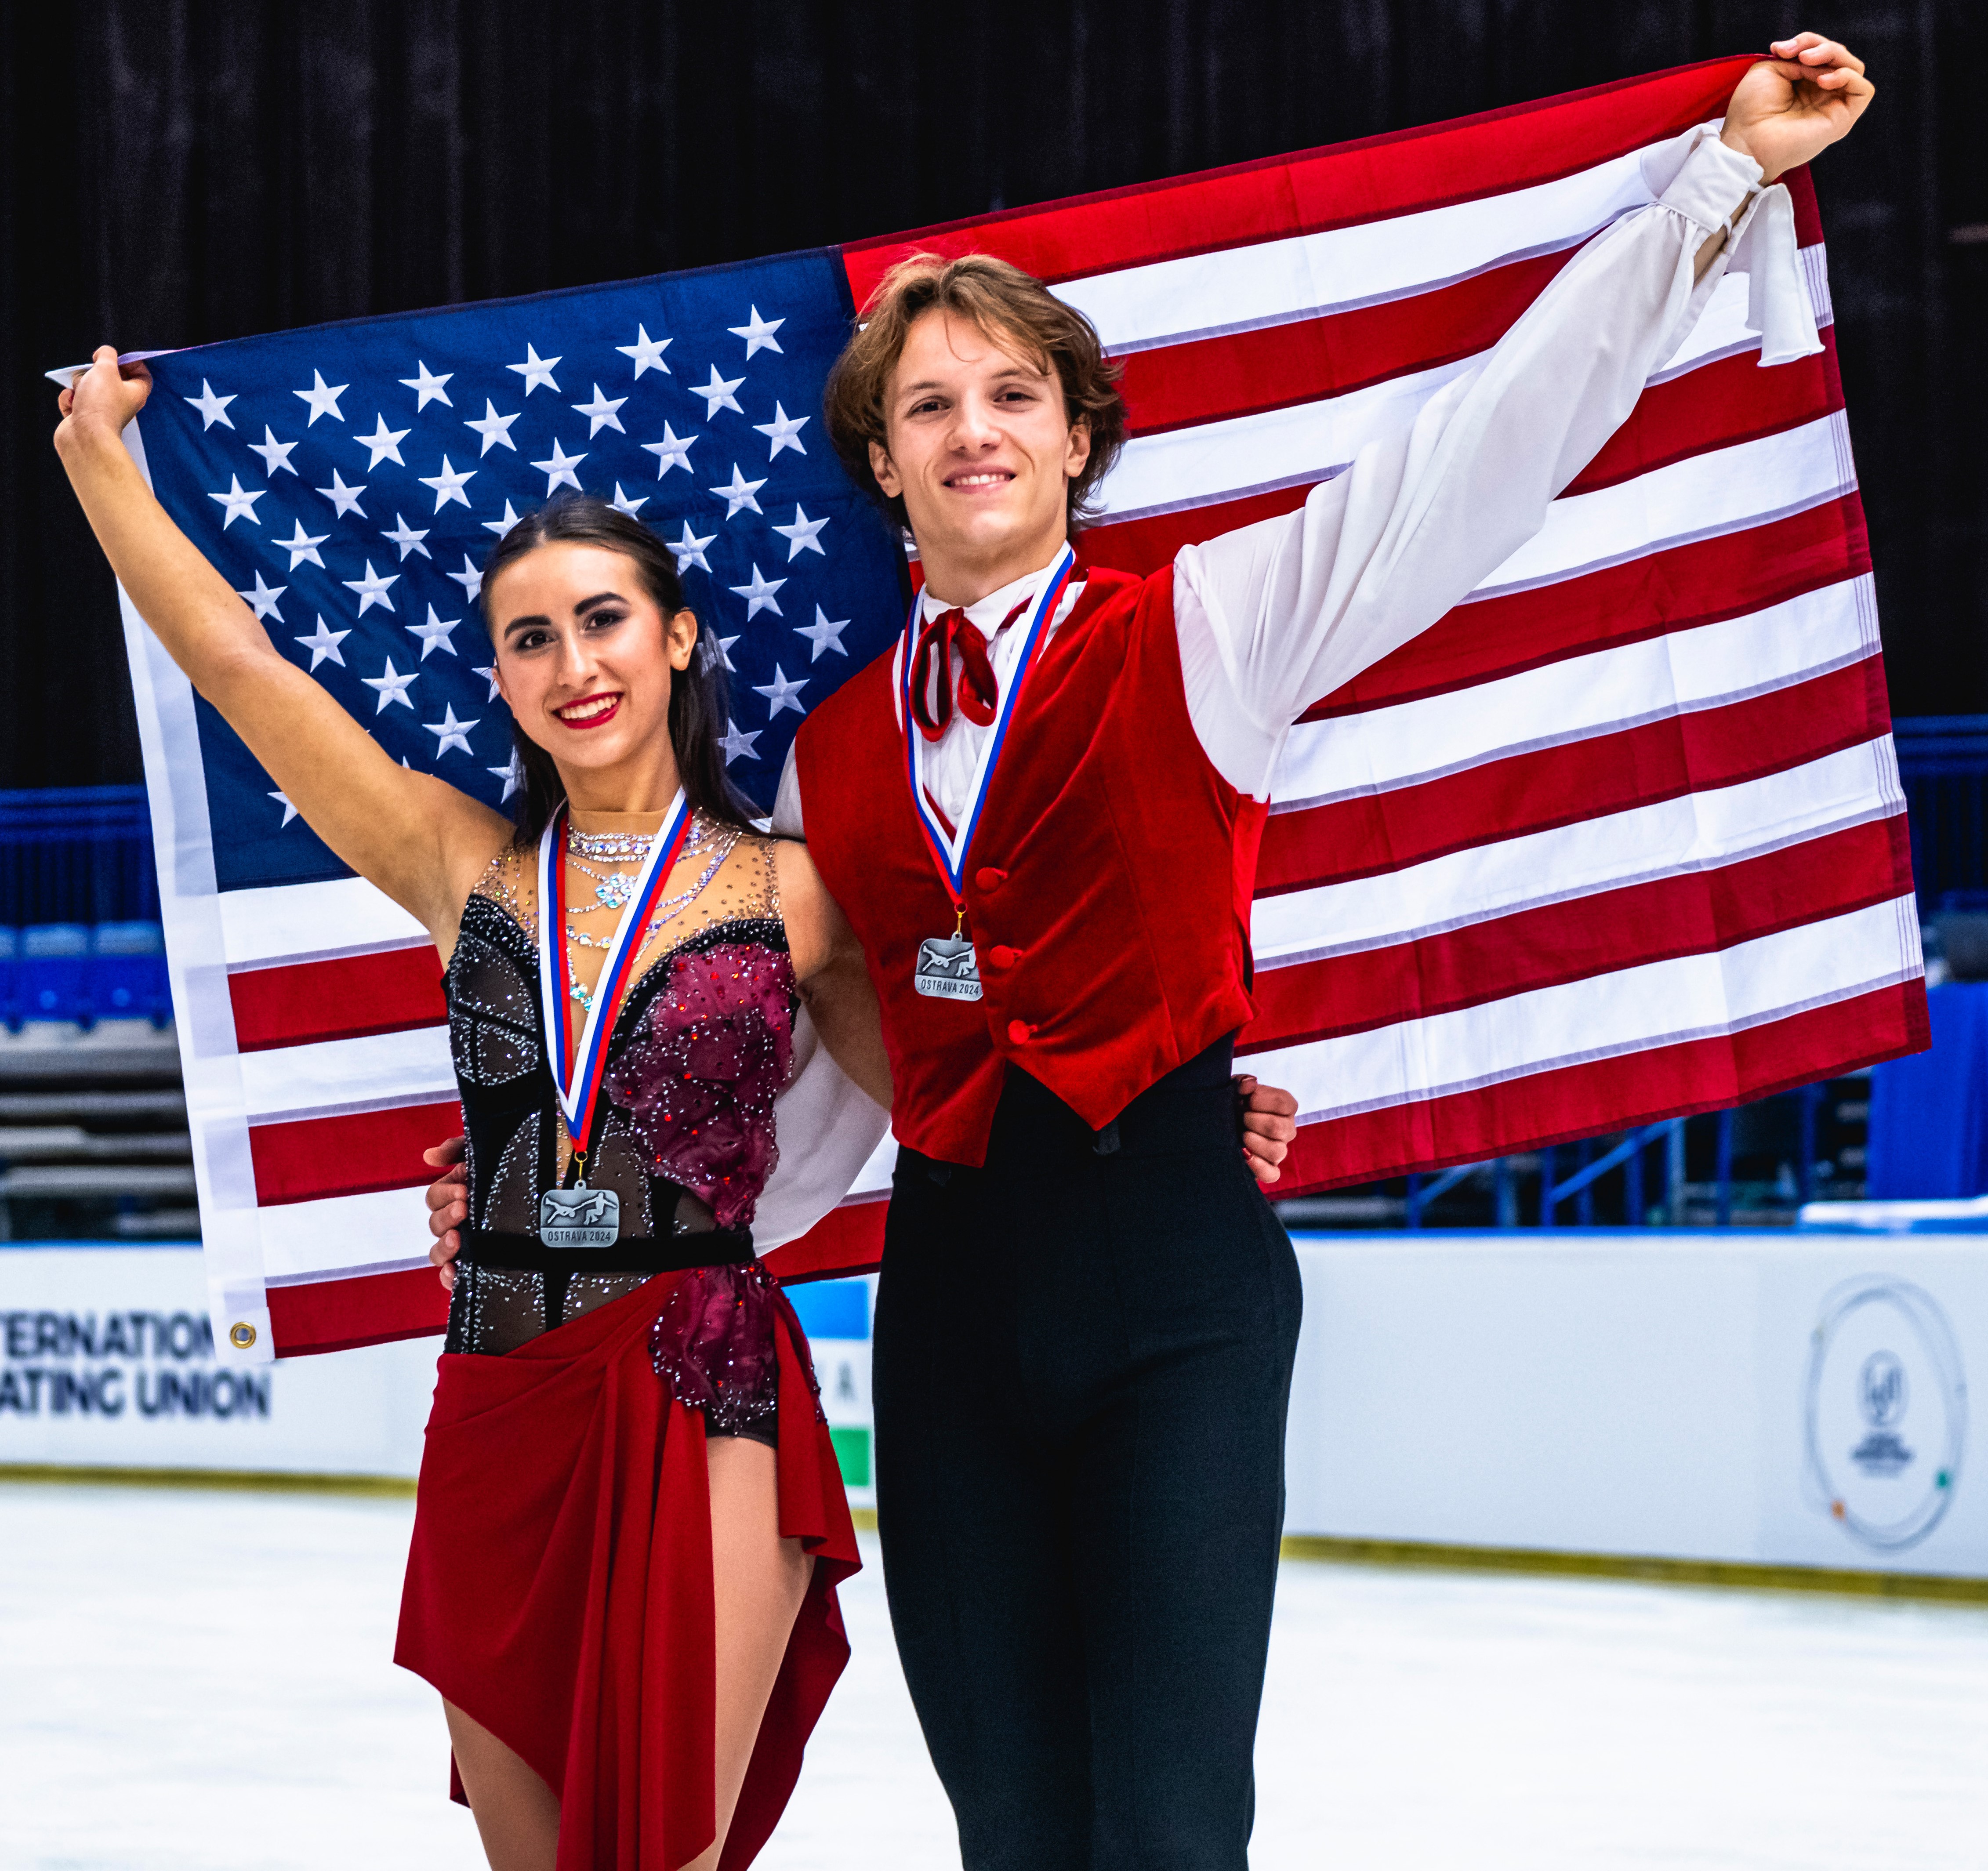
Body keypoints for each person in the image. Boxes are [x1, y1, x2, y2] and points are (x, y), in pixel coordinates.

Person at [423, 35, 1872, 1870]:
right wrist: (546, 1198)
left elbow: (1483, 453)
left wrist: (1719, 187)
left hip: (1174, 1278)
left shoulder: (1216, 625)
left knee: (1171, 1832)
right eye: (931, 405)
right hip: (949, 1303)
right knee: (1016, 1832)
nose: (975, 431)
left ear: (1078, 434)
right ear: (882, 462)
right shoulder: (826, 752)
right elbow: (799, 1097)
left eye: (1012, 393)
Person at [49, 378, 887, 1871]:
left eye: (605, 619)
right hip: (500, 1379)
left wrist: (1185, 1106)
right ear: (500, 677)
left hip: (705, 1386)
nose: (575, 663)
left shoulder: (799, 890)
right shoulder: (459, 861)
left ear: (678, 634)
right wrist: (96, 464)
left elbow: (952, 1069)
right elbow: (240, 670)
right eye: (531, 636)